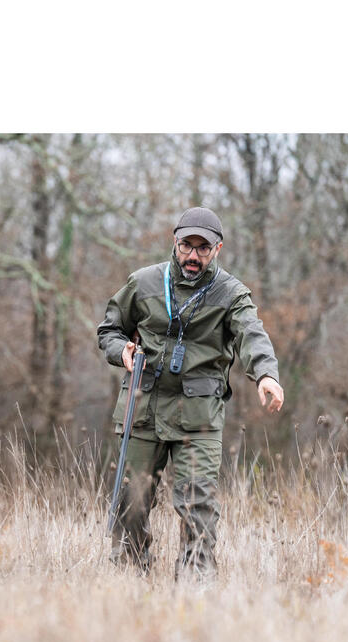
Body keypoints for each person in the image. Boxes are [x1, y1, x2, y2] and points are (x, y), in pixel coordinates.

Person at [97, 207, 284, 579]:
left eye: (203, 247)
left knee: (198, 505)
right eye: (187, 245)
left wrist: (266, 374)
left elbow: (252, 334)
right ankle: (131, 580)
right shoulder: (144, 282)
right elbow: (109, 330)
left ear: (217, 249)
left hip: (197, 418)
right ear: (175, 242)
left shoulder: (231, 294)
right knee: (130, 504)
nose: (193, 255)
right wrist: (123, 351)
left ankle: (196, 583)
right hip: (143, 408)